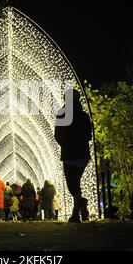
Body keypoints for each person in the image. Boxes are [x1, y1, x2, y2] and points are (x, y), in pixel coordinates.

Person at [55, 89, 91, 223]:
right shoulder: (84, 116)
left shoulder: (63, 113)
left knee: (72, 184)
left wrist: (66, 144)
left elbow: (58, 135)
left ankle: (79, 207)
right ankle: (79, 212)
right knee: (76, 183)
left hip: (69, 155)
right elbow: (88, 135)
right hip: (82, 155)